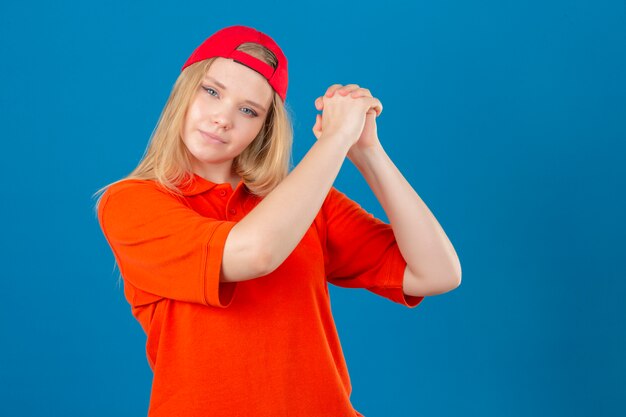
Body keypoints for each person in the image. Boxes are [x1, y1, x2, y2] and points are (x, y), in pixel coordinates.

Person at [93, 24, 461, 417]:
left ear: (263, 129)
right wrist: (334, 141)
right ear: (185, 90)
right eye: (212, 91)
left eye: (248, 110)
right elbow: (255, 253)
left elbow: (437, 273)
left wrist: (366, 150)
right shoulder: (130, 202)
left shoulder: (304, 201)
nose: (223, 118)